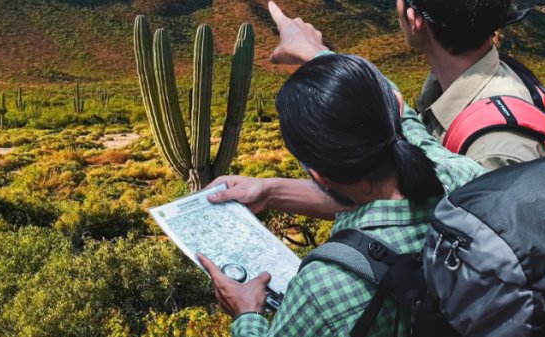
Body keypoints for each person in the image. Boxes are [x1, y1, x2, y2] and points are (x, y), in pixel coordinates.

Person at [198, 53, 484, 336]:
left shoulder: (322, 288)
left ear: (320, 176)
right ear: (394, 107)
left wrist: (246, 313)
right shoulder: (462, 175)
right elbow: (406, 118)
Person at [267, 0, 544, 169]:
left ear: (415, 19)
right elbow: (420, 199)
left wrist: (319, 56)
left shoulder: (494, 151)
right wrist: (271, 191)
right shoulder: (454, 87)